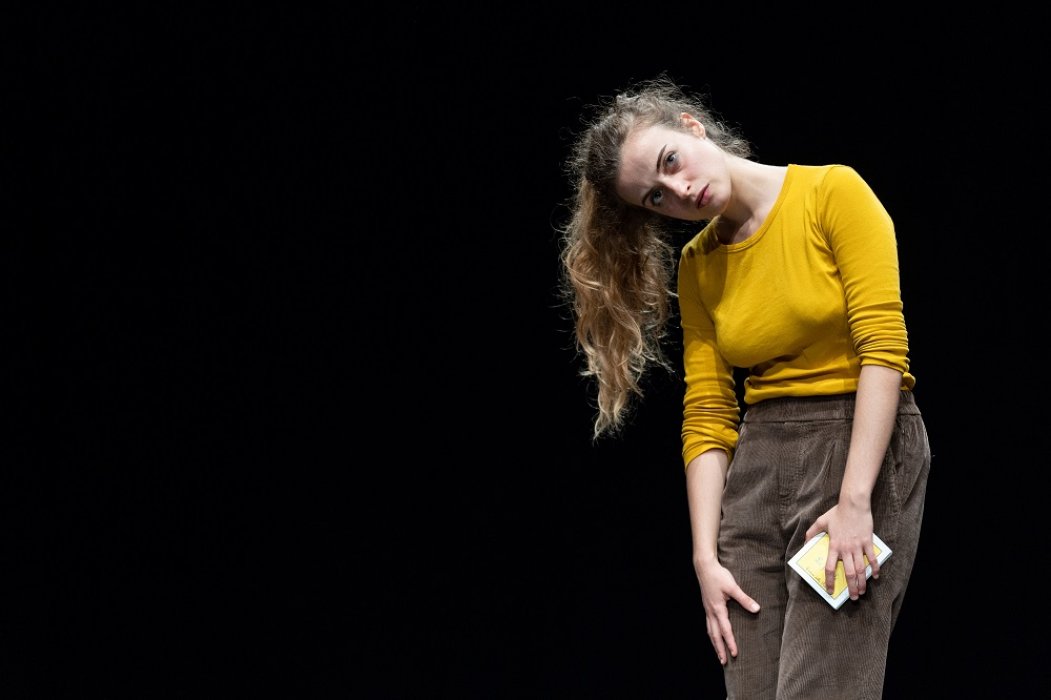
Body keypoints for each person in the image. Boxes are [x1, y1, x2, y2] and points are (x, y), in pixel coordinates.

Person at [556, 75, 931, 699]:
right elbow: (707, 412)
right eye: (655, 197)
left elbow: (884, 349)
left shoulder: (831, 192)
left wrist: (856, 500)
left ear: (691, 126)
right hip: (756, 478)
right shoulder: (698, 265)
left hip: (854, 448)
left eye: (670, 162)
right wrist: (705, 558)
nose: (680, 190)